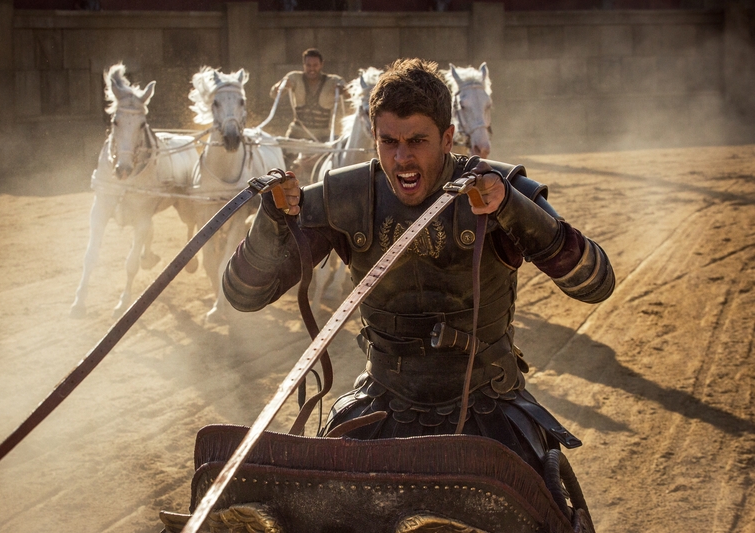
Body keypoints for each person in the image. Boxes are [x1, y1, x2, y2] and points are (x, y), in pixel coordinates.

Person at [224, 59, 615, 477]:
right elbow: (245, 295)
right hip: (382, 403)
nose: (402, 158)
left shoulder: (498, 187)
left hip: (490, 406)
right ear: (373, 137)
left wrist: (513, 210)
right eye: (388, 141)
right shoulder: (347, 196)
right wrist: (271, 222)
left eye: (417, 140)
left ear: (448, 137)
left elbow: (595, 283)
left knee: (539, 510)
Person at [270, 48, 345, 181]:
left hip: (323, 135)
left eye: (315, 65)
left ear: (321, 65)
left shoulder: (333, 81)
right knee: (279, 157)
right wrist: (280, 87)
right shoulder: (294, 77)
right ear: (304, 65)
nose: (312, 69)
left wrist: (343, 91)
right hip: (296, 133)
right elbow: (274, 94)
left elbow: (350, 93)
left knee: (336, 157)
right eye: (308, 65)